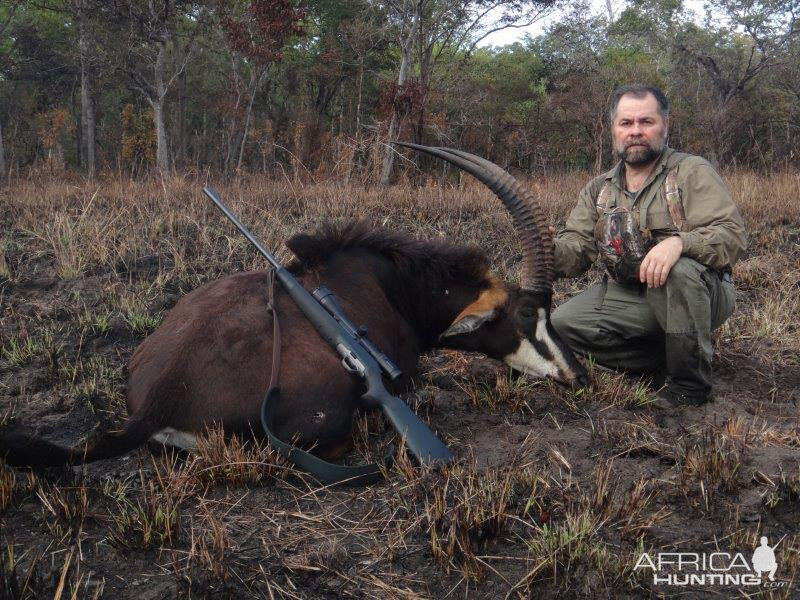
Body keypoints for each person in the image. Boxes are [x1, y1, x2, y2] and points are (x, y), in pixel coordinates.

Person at [550, 83, 748, 408]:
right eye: (626, 123)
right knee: (563, 324)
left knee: (680, 270)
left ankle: (689, 387)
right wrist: (546, 249)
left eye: (647, 122)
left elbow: (731, 236)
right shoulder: (597, 189)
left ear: (665, 126)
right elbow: (575, 251)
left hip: (700, 292)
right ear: (613, 130)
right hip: (634, 293)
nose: (636, 132)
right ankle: (666, 357)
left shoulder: (691, 171)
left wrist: (679, 244)